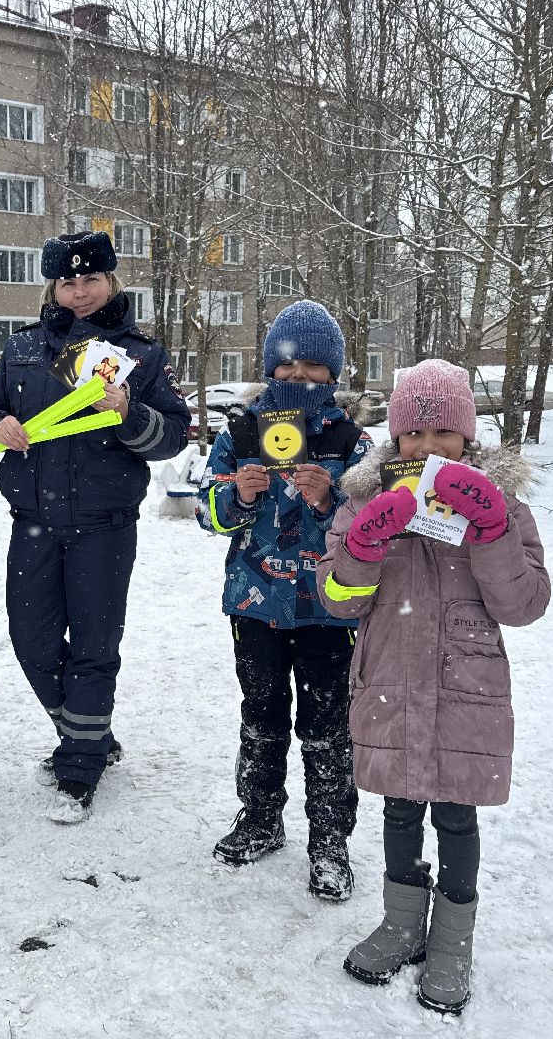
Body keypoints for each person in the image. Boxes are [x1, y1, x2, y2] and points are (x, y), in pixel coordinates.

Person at [317, 358, 550, 1015]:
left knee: (454, 814)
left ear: (466, 437)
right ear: (394, 438)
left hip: (463, 690)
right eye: (412, 437)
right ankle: (399, 923)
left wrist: (493, 529)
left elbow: (525, 604)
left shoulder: (501, 505)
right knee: (397, 807)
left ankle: (452, 939)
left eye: (440, 435)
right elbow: (338, 601)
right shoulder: (365, 499)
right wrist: (361, 546)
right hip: (391, 683)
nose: (424, 450)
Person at [0, 231, 189, 823]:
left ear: (112, 282)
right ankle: (88, 732)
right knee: (30, 638)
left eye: (92, 279)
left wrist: (128, 412)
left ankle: (79, 766)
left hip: (104, 526)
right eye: (68, 281)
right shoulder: (23, 348)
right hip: (33, 521)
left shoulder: (140, 356)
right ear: (53, 287)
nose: (80, 291)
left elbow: (171, 436)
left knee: (94, 646)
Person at [196, 300, 374, 900]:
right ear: (270, 369)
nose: (298, 380)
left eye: (313, 370)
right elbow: (204, 510)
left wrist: (331, 502)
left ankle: (329, 838)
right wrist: (236, 499)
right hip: (255, 604)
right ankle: (260, 817)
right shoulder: (242, 432)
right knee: (262, 714)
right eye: (288, 369)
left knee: (328, 725)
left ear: (335, 375)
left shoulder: (352, 442)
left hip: (328, 608)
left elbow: (372, 525)